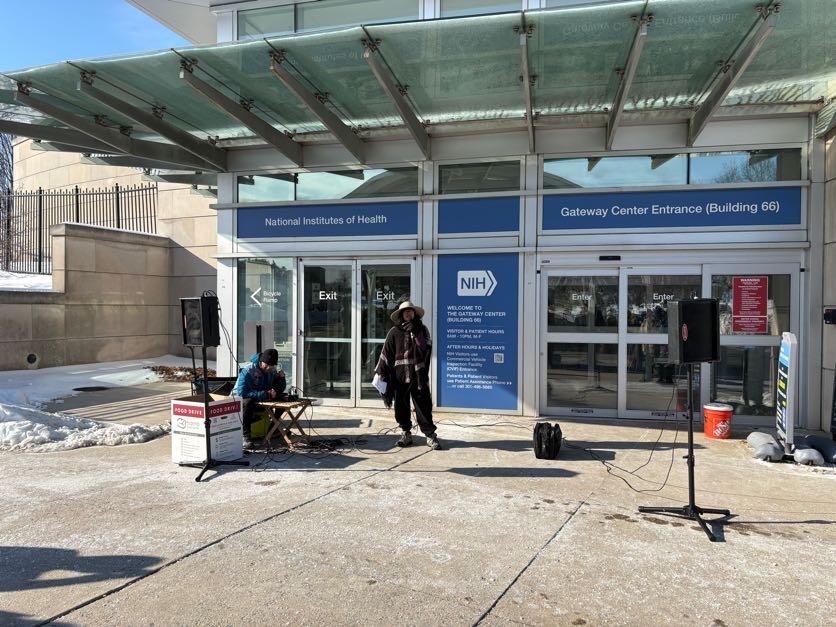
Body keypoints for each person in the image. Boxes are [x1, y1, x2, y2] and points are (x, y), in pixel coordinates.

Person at [375, 300, 441, 450]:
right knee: (401, 406)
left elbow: (426, 348)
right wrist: (382, 372)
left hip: (418, 376)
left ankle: (430, 436)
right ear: (400, 315)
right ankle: (406, 433)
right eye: (405, 312)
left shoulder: (422, 330)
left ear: (414, 314)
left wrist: (416, 333)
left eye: (410, 311)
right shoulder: (394, 332)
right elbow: (386, 353)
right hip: (399, 377)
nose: (408, 313)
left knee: (423, 406)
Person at [233, 348, 286, 447]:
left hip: (259, 398)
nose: (268, 368)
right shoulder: (248, 370)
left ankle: (272, 429)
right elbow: (242, 393)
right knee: (247, 403)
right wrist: (265, 394)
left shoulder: (272, 370)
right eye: (267, 365)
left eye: (271, 365)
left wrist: (281, 379)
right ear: (261, 361)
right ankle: (245, 436)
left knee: (283, 400)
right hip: (239, 400)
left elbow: (279, 389)